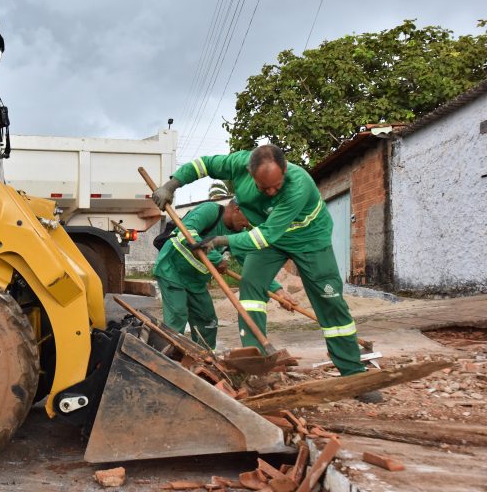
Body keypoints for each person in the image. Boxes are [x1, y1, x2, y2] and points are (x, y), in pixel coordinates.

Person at [153, 144, 382, 403]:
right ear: (250, 174)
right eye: (265, 188)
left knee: (330, 302)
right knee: (250, 289)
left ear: (285, 170)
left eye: (277, 185)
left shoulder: (299, 184)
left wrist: (219, 242)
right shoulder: (238, 164)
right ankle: (257, 365)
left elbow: (265, 236)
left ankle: (353, 375)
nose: (272, 192)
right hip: (271, 239)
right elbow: (203, 164)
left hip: (309, 240)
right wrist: (172, 185)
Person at [153, 198, 296, 350]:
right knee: (177, 315)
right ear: (236, 209)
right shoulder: (210, 211)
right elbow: (185, 232)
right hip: (172, 270)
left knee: (208, 321)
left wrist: (277, 290)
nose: (247, 225)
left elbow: (250, 263)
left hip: (196, 281)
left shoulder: (239, 232)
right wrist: (216, 258)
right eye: (248, 219)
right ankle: (164, 359)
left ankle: (206, 360)